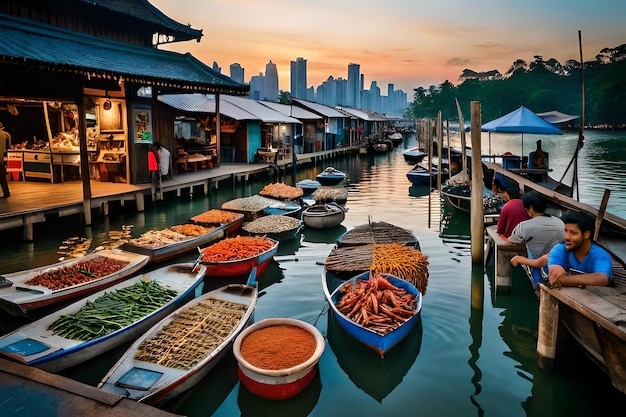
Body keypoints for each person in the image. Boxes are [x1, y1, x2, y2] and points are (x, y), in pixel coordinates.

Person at [508, 190, 565, 286]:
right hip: (559, 264)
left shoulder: (524, 227)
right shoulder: (560, 223)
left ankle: (537, 283)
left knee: (530, 246)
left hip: (542, 266)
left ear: (530, 208)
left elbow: (513, 240)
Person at [547, 211, 613, 289]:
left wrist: (564, 280)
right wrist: (556, 271)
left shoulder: (600, 255)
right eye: (566, 231)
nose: (566, 237)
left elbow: (603, 278)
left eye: (573, 233)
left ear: (586, 234)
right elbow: (554, 269)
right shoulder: (560, 249)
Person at [0, 122, 11, 198]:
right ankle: (6, 191)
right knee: (2, 176)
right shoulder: (6, 134)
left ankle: (6, 192)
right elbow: (9, 146)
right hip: (2, 157)